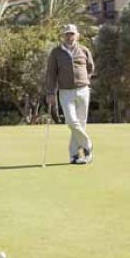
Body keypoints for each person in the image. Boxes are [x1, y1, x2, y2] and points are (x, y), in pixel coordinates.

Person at [45, 24, 95, 164]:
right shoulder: (56, 52)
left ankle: (74, 155)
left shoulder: (84, 50)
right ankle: (88, 146)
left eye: (72, 34)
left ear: (77, 35)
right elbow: (51, 74)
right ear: (63, 36)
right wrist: (50, 92)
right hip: (65, 91)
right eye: (67, 34)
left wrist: (84, 79)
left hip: (83, 90)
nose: (69, 36)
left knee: (81, 123)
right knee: (71, 121)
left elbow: (90, 67)